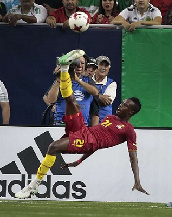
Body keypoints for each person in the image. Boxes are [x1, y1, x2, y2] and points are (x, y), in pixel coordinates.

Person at [15, 49, 148, 199]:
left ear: (131, 112)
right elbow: (99, 141)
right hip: (85, 130)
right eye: (122, 103)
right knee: (72, 102)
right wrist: (79, 161)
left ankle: (32, 187)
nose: (120, 106)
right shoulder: (111, 118)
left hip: (88, 141)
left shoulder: (129, 131)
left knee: (53, 147)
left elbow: (132, 157)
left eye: (125, 106)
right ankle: (65, 69)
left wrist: (137, 181)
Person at [43, 55, 99, 126]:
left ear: (85, 66)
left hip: (81, 125)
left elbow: (95, 92)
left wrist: (77, 80)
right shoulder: (63, 79)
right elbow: (51, 100)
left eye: (82, 63)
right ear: (71, 65)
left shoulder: (88, 80)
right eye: (77, 63)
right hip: (61, 124)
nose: (79, 65)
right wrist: (58, 79)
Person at [90, 56, 117, 126]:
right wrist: (99, 97)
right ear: (95, 67)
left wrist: (89, 96)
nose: (103, 68)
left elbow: (106, 101)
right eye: (101, 65)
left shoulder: (112, 83)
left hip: (104, 124)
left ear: (109, 68)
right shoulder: (87, 80)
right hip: (88, 121)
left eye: (106, 66)